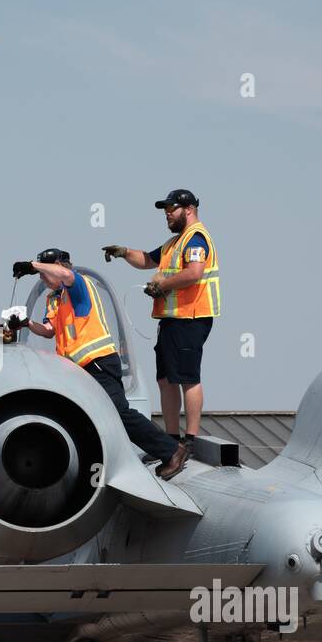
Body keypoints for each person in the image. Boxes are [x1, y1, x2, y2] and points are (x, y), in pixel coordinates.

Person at [8, 249, 186, 480]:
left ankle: (171, 451)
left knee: (118, 413)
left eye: (43, 272)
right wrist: (26, 323)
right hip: (79, 370)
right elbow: (49, 331)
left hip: (98, 362)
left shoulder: (78, 284)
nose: (41, 277)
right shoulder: (55, 298)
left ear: (59, 266)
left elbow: (65, 274)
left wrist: (33, 265)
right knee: (92, 416)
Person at [102, 189, 219, 465]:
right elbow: (148, 260)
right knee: (166, 379)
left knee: (188, 377)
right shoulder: (173, 244)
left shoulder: (196, 238)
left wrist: (161, 285)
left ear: (188, 209)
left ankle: (188, 440)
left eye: (172, 208)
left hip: (191, 317)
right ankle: (170, 440)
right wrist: (125, 252)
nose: (167, 213)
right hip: (172, 319)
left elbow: (194, 272)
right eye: (165, 209)